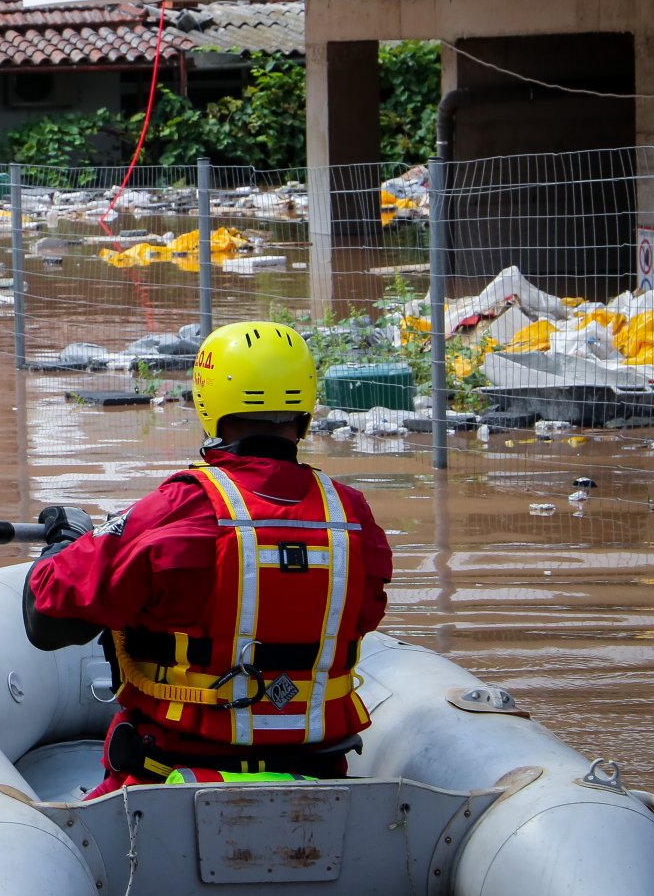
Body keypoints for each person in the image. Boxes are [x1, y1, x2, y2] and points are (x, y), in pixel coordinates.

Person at [23, 320, 393, 795]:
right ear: (303, 406)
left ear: (208, 401)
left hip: (168, 777)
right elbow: (364, 612)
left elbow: (47, 617)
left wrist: (67, 543)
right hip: (318, 776)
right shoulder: (352, 515)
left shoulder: (179, 508)